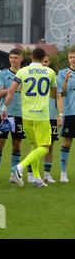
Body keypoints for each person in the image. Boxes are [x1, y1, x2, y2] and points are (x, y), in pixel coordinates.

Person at [2, 47, 57, 187]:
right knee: (44, 147)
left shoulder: (22, 71)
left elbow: (11, 90)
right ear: (43, 57)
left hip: (26, 115)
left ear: (31, 57)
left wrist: (5, 108)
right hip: (42, 116)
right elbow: (54, 93)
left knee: (34, 145)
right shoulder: (50, 72)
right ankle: (19, 167)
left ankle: (37, 178)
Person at [26, 54, 62, 183]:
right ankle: (30, 173)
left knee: (50, 146)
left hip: (50, 116)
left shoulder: (53, 76)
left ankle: (47, 174)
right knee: (35, 145)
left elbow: (58, 95)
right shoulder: (31, 75)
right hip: (36, 116)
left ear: (49, 62)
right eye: (43, 61)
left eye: (46, 61)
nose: (44, 64)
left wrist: (60, 113)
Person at [0, 49, 25, 184]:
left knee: (16, 145)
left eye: (15, 57)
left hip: (20, 114)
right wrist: (12, 88)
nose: (12, 60)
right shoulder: (3, 73)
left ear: (21, 58)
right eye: (11, 57)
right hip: (5, 114)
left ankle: (13, 174)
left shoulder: (25, 73)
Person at [57, 46, 75, 182]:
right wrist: (65, 81)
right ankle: (63, 173)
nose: (73, 60)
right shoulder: (63, 73)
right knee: (67, 142)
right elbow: (61, 94)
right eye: (71, 57)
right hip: (70, 113)